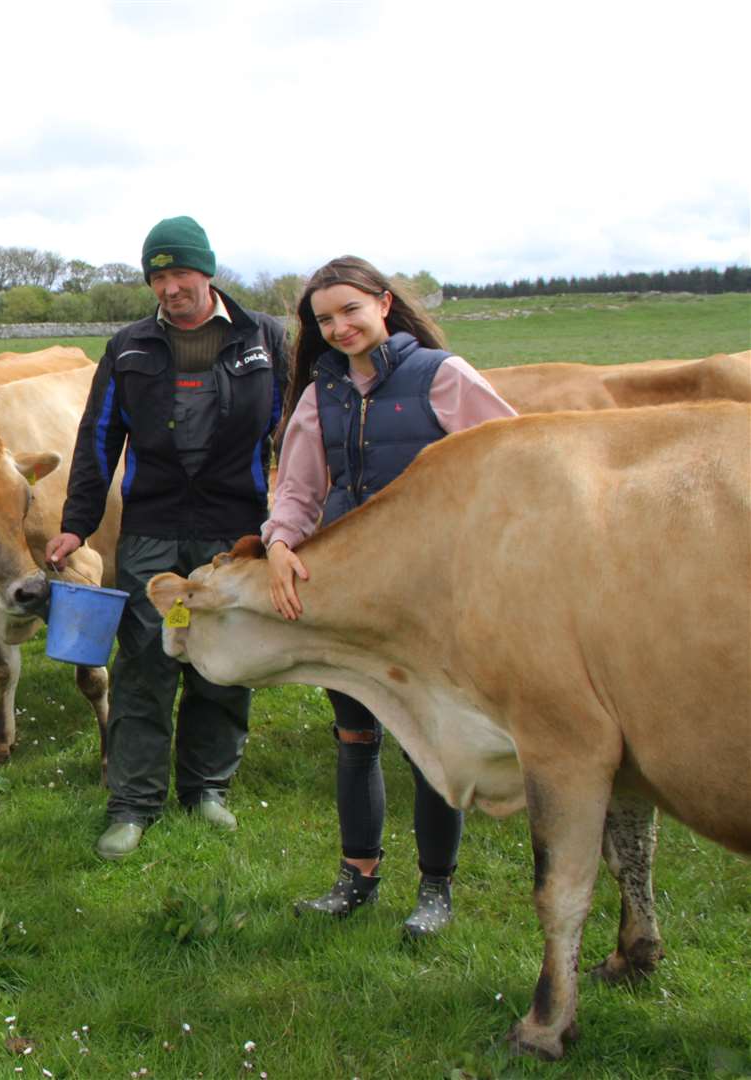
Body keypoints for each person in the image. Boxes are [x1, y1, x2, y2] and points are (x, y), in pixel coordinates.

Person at [263, 255, 516, 937]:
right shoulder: (322, 394)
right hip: (349, 591)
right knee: (354, 737)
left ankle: (435, 891)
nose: (339, 326)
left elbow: (512, 462)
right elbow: (299, 487)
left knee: (425, 741)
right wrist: (281, 543)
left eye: (350, 309)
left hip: (431, 594)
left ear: (382, 303)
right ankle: (356, 878)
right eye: (324, 319)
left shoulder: (444, 376)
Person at [48, 216, 289, 860]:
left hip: (231, 533)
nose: (169, 287)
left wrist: (294, 519)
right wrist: (76, 522)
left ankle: (207, 787)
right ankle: (134, 800)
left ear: (207, 271)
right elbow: (98, 439)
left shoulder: (264, 339)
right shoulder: (129, 347)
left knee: (222, 656)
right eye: (157, 275)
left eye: (179, 271)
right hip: (153, 533)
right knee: (148, 659)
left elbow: (293, 433)